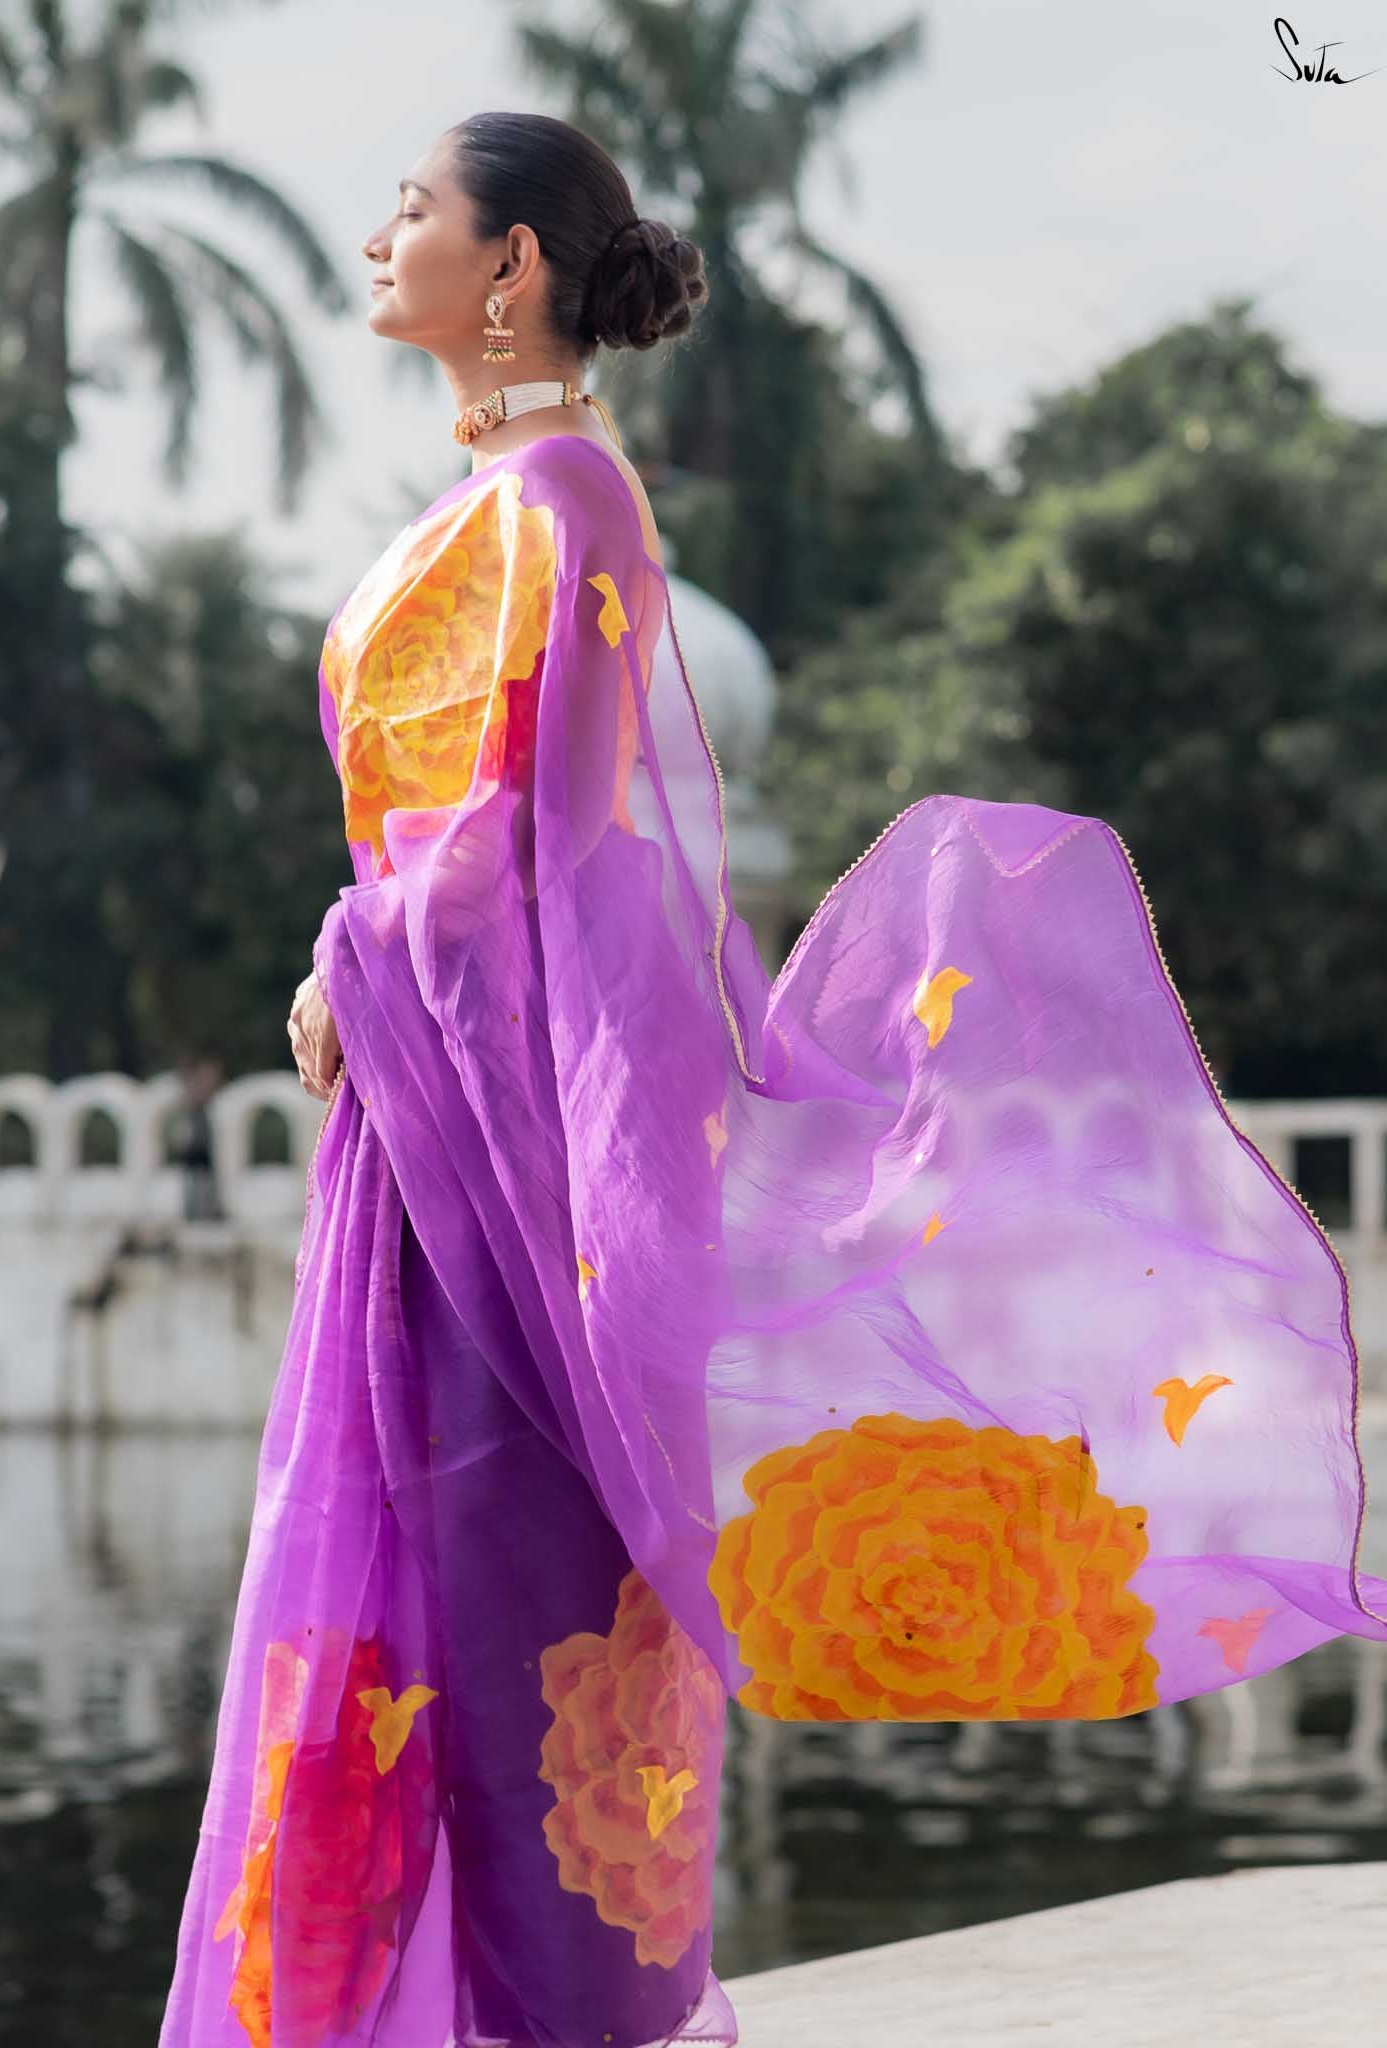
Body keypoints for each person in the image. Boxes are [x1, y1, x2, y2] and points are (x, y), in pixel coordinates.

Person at [160, 113, 1386, 2048]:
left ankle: (583, 2023)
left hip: (523, 1157)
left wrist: (344, 951)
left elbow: (551, 853)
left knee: (522, 1607)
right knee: (414, 1590)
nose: (381, 226)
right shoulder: (465, 519)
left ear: (513, 272)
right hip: (420, 1135)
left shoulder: (575, 510)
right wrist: (362, 952)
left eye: (420, 205)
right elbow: (439, 845)